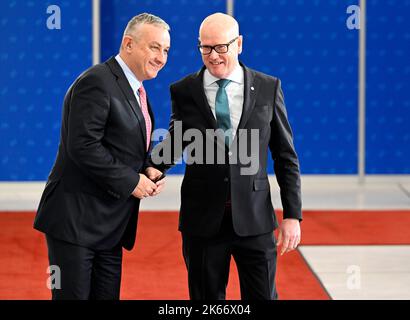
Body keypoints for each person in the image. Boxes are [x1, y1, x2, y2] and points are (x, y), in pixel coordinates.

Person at [147, 13, 302, 300]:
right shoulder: (184, 90)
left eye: (221, 47)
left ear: (239, 43)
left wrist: (293, 215)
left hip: (255, 219)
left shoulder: (268, 88)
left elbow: (285, 156)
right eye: (205, 48)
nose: (213, 56)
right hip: (203, 221)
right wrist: (151, 169)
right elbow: (176, 139)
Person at [33, 13, 169, 300]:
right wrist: (132, 181)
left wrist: (147, 170)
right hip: (76, 222)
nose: (161, 57)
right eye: (154, 47)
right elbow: (82, 145)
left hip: (110, 226)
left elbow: (120, 147)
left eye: (166, 50)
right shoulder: (96, 81)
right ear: (128, 44)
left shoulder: (136, 90)